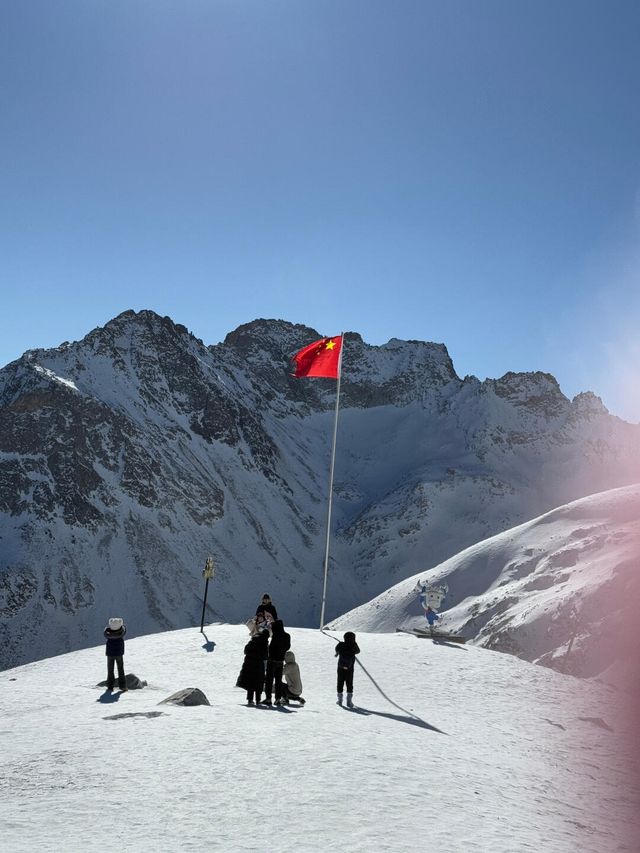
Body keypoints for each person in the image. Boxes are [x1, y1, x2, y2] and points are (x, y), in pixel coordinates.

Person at [263, 619, 291, 706]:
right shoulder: (287, 636)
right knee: (278, 681)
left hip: (272, 661)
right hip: (280, 662)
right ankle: (278, 698)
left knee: (269, 680)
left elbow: (271, 648)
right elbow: (288, 647)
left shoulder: (275, 636)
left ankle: (268, 698)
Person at [237, 632, 269, 705]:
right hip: (259, 665)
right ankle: (258, 700)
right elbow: (265, 656)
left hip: (249, 664)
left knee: (250, 682)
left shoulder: (252, 641)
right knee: (258, 682)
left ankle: (250, 700)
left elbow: (245, 651)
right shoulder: (264, 643)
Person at [335, 631, 360, 708]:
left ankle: (340, 700)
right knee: (349, 683)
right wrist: (354, 643)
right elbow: (358, 651)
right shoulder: (353, 646)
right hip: (350, 668)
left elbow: (336, 649)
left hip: (340, 667)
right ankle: (349, 701)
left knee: (340, 682)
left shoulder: (341, 644)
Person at [104, 617, 127, 692]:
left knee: (110, 670)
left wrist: (108, 628)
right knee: (120, 669)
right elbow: (124, 629)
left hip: (110, 654)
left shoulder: (108, 634)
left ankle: (110, 687)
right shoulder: (121, 634)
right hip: (119, 654)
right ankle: (122, 686)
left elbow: (105, 631)